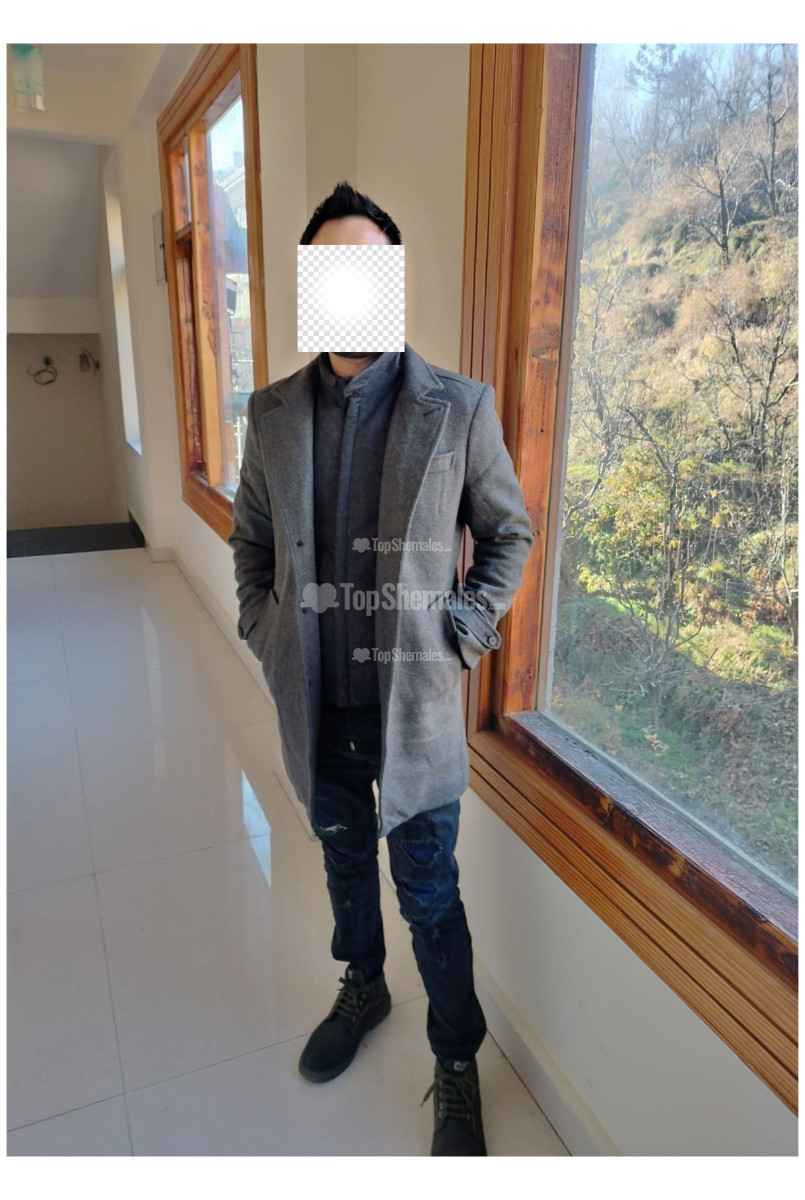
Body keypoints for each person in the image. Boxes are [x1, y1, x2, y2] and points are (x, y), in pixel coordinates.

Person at [228, 181, 533, 1156]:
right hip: (316, 708)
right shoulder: (271, 413)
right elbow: (251, 542)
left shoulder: (457, 407)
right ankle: (362, 985)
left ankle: (455, 1061)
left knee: (430, 897)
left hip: (415, 715)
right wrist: (263, 626)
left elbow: (509, 537)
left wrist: (460, 634)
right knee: (343, 863)